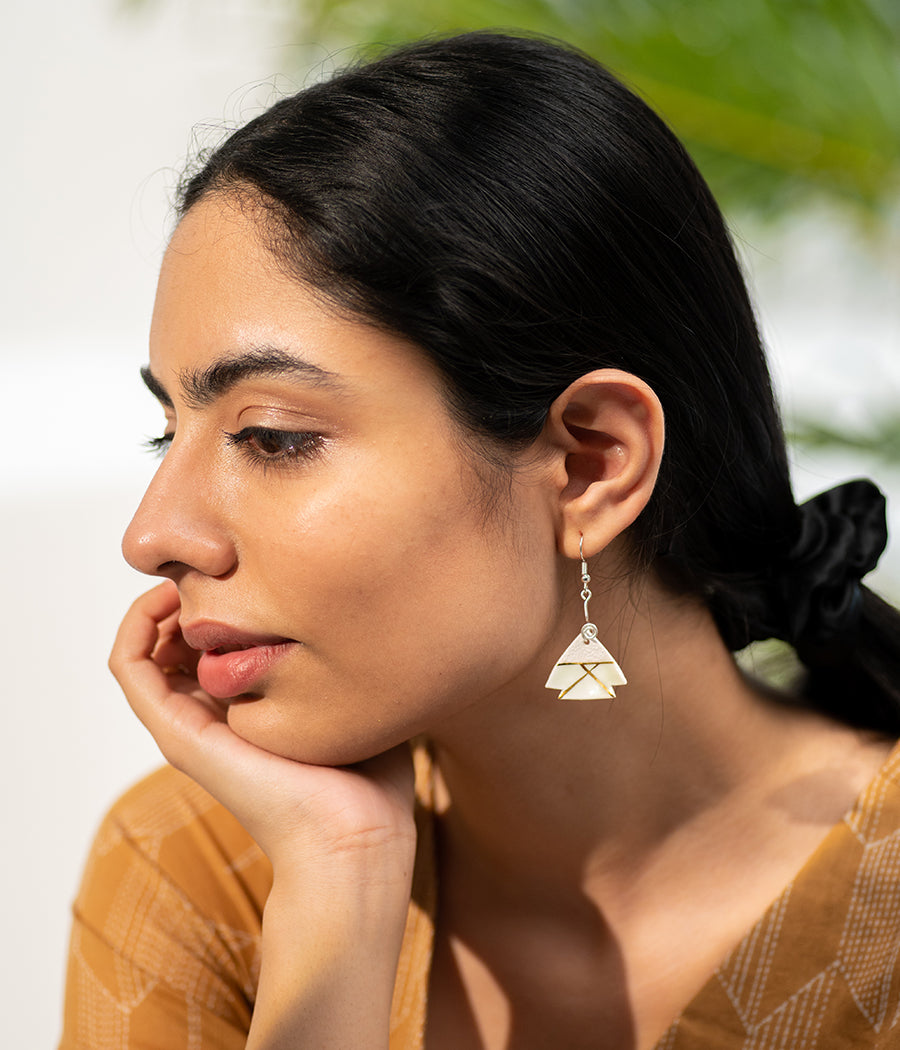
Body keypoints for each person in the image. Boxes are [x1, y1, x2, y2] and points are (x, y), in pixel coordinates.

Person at [60, 30, 900, 1050]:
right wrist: (341, 889)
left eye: (272, 436)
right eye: (169, 430)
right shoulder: (206, 870)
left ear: (591, 464)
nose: (154, 534)